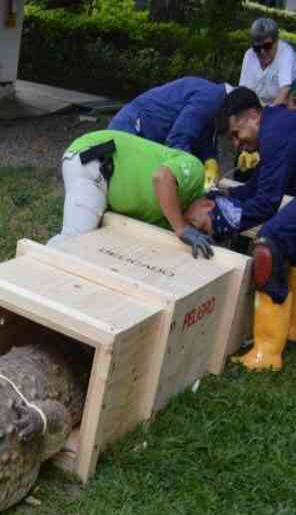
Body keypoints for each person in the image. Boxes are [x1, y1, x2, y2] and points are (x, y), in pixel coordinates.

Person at [189, 86, 296, 371]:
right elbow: (254, 189)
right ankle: (291, 329)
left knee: (271, 242)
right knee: (288, 233)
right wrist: (220, 196)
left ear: (253, 116)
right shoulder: (277, 125)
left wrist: (219, 221)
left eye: (237, 134)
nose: (236, 144)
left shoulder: (275, 134)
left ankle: (266, 354)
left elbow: (265, 204)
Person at [48, 129, 215, 258]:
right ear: (207, 205)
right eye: (203, 227)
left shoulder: (174, 215)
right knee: (75, 242)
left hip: (103, 182)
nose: (195, 232)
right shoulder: (195, 172)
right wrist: (181, 228)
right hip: (94, 161)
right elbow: (162, 178)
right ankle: (35, 278)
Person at [108, 76, 229, 190]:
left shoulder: (215, 102)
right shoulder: (210, 98)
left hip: (141, 132)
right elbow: (177, 142)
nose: (235, 142)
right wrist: (193, 179)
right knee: (124, 189)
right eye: (234, 135)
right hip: (130, 129)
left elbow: (201, 137)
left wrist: (210, 160)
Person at [240, 18, 295, 108]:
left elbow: (284, 93)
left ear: (276, 42)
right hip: (255, 108)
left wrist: (267, 112)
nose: (262, 51)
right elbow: (243, 91)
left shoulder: (286, 53)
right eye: (257, 48)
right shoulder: (249, 54)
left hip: (280, 107)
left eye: (267, 46)